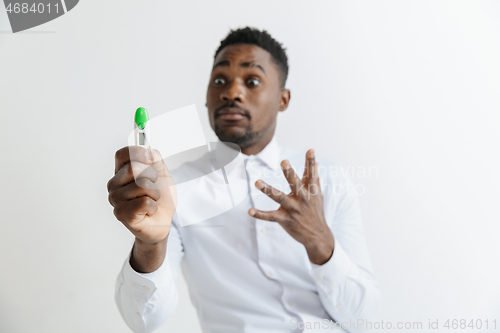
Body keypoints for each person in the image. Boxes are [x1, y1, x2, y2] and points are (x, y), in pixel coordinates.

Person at [107, 27, 380, 333]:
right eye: (220, 81)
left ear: (283, 99)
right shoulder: (174, 190)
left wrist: (321, 242)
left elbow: (365, 319)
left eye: (252, 81)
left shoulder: (329, 179)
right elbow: (142, 320)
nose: (231, 92)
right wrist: (151, 242)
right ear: (208, 98)